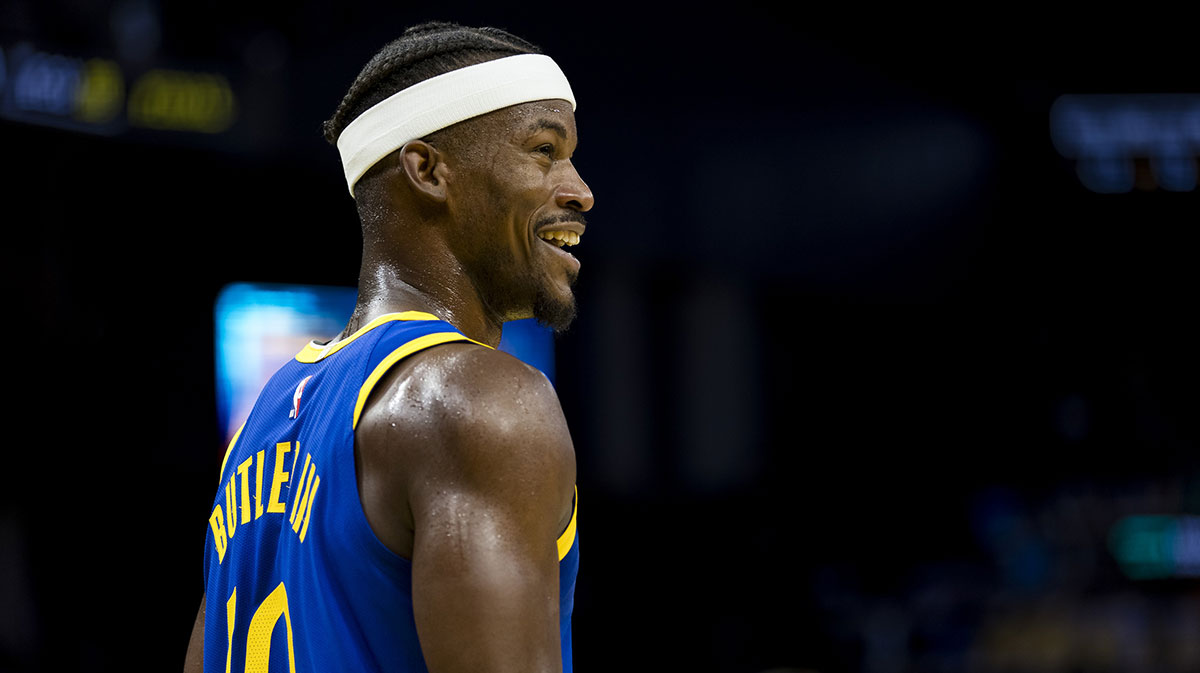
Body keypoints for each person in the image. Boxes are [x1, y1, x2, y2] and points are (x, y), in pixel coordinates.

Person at [183, 21, 592, 673]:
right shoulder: (481, 398)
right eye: (544, 150)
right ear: (429, 170)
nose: (579, 190)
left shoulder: (257, 426)